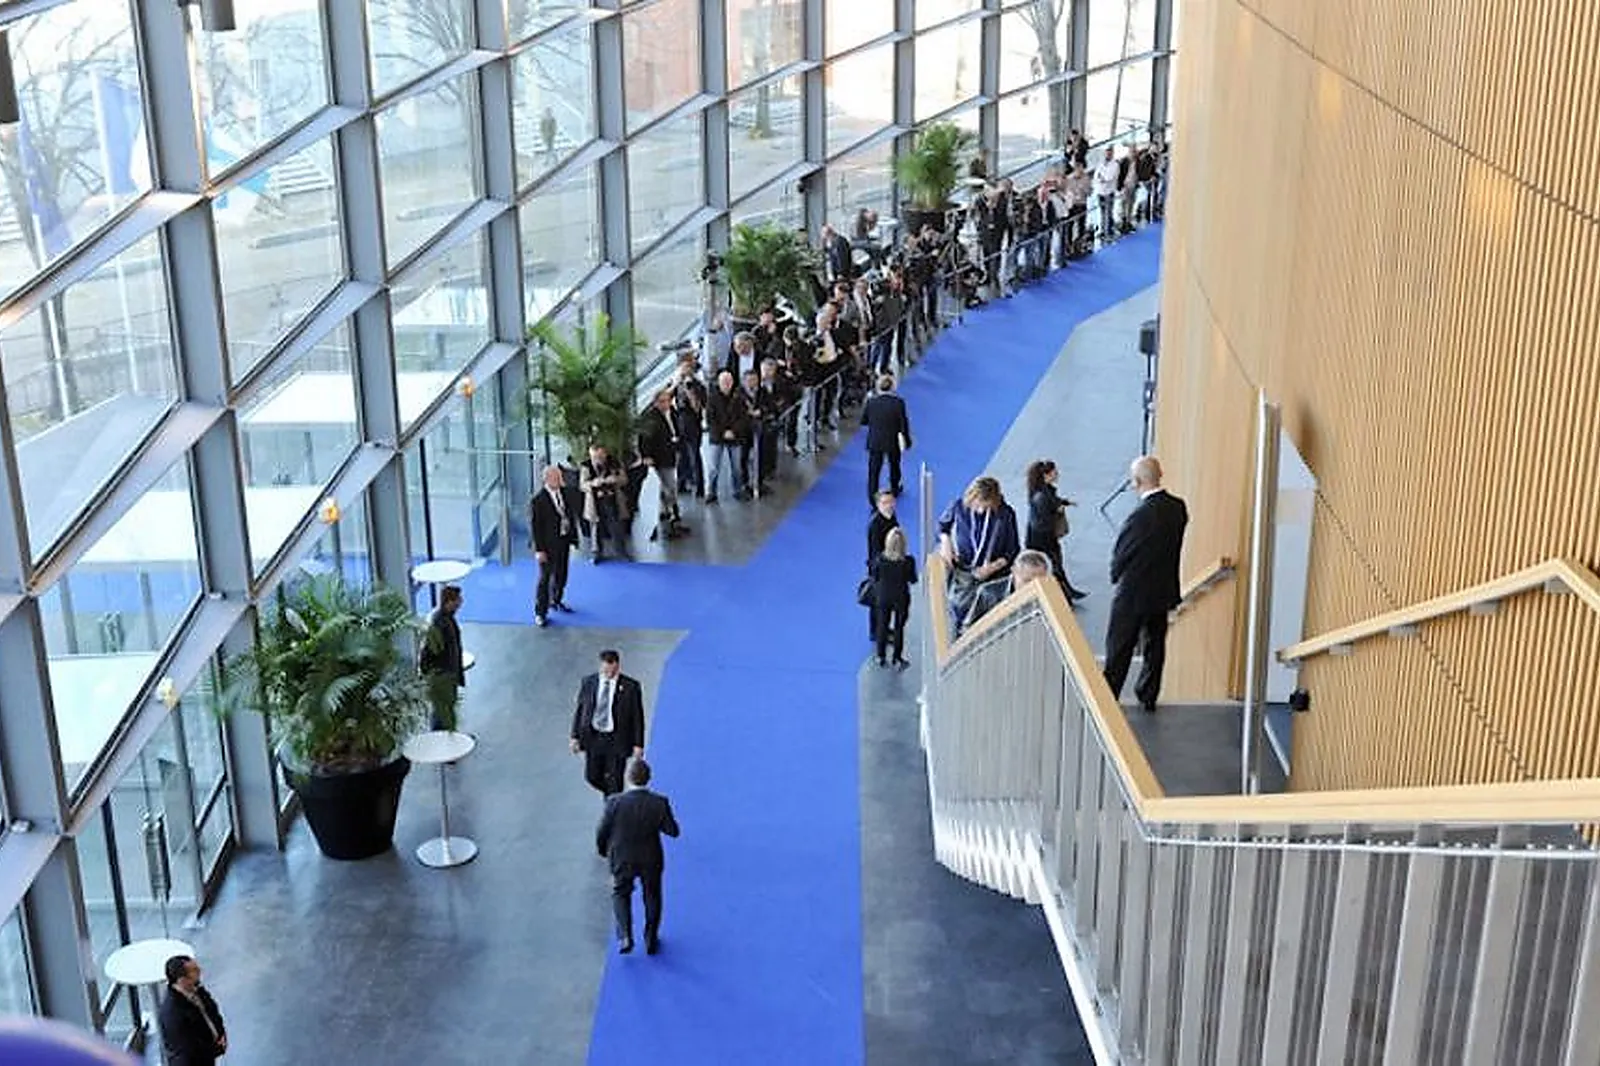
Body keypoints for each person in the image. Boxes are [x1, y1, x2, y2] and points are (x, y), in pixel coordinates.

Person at [1104, 456, 1189, 713]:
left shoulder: (1140, 515)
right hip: (1162, 590)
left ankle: (1108, 697)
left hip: (1133, 593)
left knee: (1120, 647)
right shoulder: (1178, 507)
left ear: (1136, 482)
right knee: (1155, 644)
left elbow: (1122, 555)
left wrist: (1115, 575)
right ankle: (1148, 693)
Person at [596, 757, 680, 956]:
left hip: (622, 858)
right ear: (649, 778)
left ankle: (625, 935)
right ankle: (650, 939)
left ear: (628, 778)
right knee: (652, 896)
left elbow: (602, 831)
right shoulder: (659, 803)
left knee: (620, 893)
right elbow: (673, 831)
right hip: (650, 858)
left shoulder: (614, 803)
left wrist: (603, 851)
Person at [938, 476, 1020, 634]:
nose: (981, 510)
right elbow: (942, 526)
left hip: (993, 576)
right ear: (971, 497)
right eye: (978, 504)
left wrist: (993, 567)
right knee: (960, 611)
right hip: (964, 570)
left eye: (986, 505)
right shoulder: (958, 507)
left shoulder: (1005, 514)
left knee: (988, 618)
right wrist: (946, 542)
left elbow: (1013, 550)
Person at [570, 649, 646, 797]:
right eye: (605, 670)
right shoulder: (589, 682)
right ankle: (610, 794)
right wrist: (575, 736)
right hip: (594, 737)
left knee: (615, 783)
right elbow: (580, 710)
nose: (608, 674)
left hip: (617, 739)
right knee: (592, 776)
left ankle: (612, 804)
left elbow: (637, 717)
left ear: (617, 666)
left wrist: (638, 744)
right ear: (601, 666)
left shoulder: (631, 687)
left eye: (611, 671)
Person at [1024, 460, 1087, 604]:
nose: (1057, 474)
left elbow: (1053, 501)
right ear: (1046, 475)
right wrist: (1058, 511)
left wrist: (1064, 502)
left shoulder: (1043, 491)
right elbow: (1044, 520)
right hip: (1043, 539)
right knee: (1054, 566)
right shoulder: (1042, 496)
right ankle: (1065, 595)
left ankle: (1067, 593)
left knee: (1056, 565)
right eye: (1054, 472)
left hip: (1041, 537)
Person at [530, 465, 580, 627]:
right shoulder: (538, 500)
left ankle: (556, 599)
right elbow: (535, 527)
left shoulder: (565, 494)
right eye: (556, 478)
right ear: (546, 479)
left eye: (560, 477)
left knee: (561, 573)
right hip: (547, 545)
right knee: (544, 579)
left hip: (563, 540)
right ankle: (540, 612)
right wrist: (539, 549)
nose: (559, 480)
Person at [159, 955, 226, 1066]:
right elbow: (190, 1049)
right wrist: (217, 1049)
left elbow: (212, 1009)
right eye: (194, 970)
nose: (200, 971)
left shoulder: (194, 987)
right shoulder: (173, 1014)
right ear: (182, 980)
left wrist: (220, 1032)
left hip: (208, 1055)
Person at [638, 388, 686, 542]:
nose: (667, 404)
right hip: (660, 458)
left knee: (668, 488)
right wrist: (646, 456)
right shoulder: (650, 418)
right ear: (656, 402)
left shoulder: (672, 412)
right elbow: (644, 439)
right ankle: (673, 519)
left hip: (672, 454)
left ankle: (667, 515)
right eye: (663, 401)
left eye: (668, 400)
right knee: (670, 488)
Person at [419, 584, 466, 730]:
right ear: (449, 602)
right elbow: (429, 650)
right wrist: (431, 673)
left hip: (448, 673)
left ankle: (447, 737)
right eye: (458, 599)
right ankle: (439, 740)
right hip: (442, 675)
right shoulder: (440, 623)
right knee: (441, 711)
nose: (461, 602)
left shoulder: (447, 619)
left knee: (446, 709)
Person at [860, 374, 912, 503]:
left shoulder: (871, 402)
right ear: (892, 387)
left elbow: (863, 421)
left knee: (874, 470)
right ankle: (894, 488)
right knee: (894, 465)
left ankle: (872, 494)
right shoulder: (898, 403)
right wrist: (907, 440)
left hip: (875, 440)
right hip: (891, 440)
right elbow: (903, 424)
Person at [870, 528, 918, 668]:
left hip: (883, 597)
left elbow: (875, 577)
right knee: (899, 628)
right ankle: (897, 658)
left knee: (882, 626)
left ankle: (880, 656)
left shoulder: (879, 560)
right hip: (901, 598)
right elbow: (913, 579)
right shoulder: (908, 562)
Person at [704, 370, 751, 503]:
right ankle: (711, 492)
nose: (727, 384)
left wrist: (733, 431)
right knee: (713, 467)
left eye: (729, 381)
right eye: (724, 381)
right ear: (719, 383)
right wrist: (723, 432)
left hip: (735, 437)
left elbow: (743, 418)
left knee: (737, 467)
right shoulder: (712, 398)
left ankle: (737, 491)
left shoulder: (739, 397)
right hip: (717, 437)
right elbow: (710, 419)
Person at [579, 443, 631, 562]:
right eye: (595, 457)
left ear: (605, 454)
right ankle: (597, 553)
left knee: (616, 526)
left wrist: (615, 479)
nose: (598, 459)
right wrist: (593, 483)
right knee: (595, 527)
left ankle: (621, 551)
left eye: (601, 456)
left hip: (612, 499)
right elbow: (582, 485)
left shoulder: (615, 463)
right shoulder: (585, 466)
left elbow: (624, 479)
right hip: (595, 500)